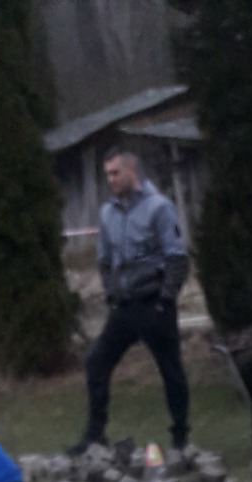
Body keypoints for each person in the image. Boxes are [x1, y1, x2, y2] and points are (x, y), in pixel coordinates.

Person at [69, 148, 191, 456]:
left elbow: (176, 256)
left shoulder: (158, 207)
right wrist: (111, 293)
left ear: (131, 170)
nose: (110, 180)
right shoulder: (108, 213)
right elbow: (105, 260)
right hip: (124, 306)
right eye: (107, 174)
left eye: (115, 173)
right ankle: (95, 435)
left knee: (170, 370)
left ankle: (180, 437)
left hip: (154, 302)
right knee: (97, 362)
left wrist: (165, 299)